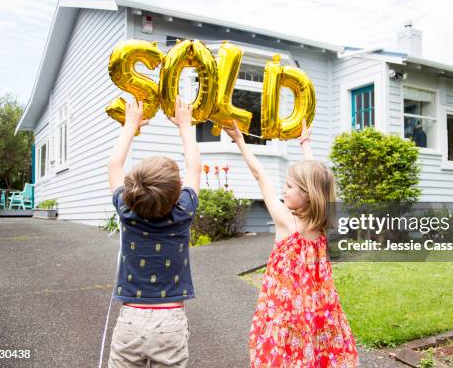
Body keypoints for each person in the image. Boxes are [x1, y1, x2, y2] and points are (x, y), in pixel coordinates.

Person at [224, 119, 359, 367]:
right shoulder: (323, 220)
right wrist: (305, 143)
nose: (283, 190)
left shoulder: (286, 221)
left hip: (285, 308)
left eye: (289, 187)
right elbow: (319, 180)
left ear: (306, 195)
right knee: (314, 345)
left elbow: (259, 174)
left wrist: (240, 140)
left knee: (283, 350)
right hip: (316, 307)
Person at [107, 97, 200, 368]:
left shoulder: (127, 211)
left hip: (130, 320)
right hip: (170, 321)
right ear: (177, 191)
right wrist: (185, 126)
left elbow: (114, 165)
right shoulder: (184, 211)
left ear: (131, 190)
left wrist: (130, 125)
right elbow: (194, 166)